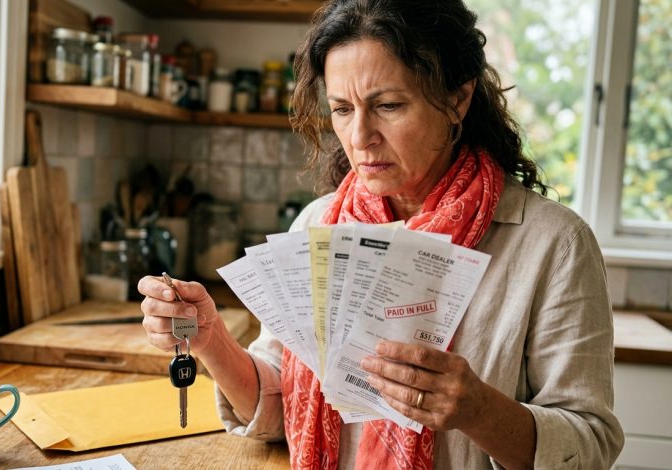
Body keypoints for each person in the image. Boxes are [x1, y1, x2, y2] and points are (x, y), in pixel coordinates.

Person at [138, 0, 624, 468]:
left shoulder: (555, 245)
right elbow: (278, 411)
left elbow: (592, 445)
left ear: (458, 98)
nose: (359, 137)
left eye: (388, 105)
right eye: (342, 109)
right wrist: (210, 341)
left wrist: (480, 410)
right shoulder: (317, 224)